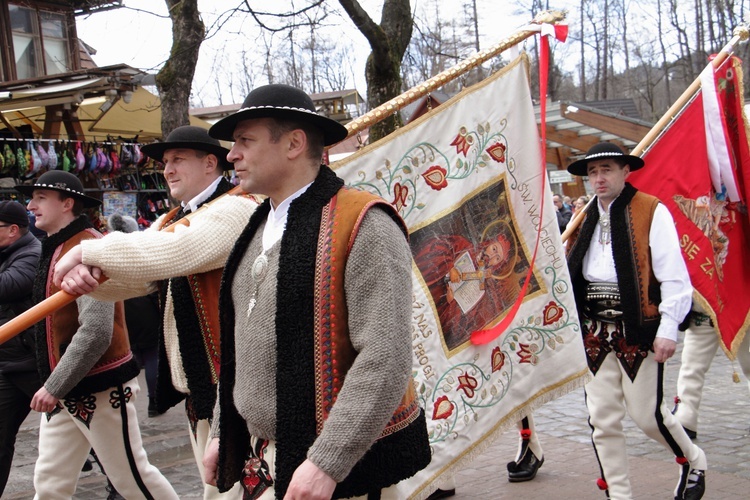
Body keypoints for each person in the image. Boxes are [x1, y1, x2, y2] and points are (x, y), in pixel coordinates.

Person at [199, 83, 431, 499]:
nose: (231, 154)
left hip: (334, 468)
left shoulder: (364, 225)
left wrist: (327, 462)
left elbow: (386, 357)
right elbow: (240, 347)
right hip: (264, 460)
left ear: (293, 143)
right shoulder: (256, 227)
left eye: (244, 140)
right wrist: (224, 431)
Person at [53, 126, 257, 499]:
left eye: (178, 159)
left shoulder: (237, 207)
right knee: (215, 488)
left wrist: (88, 252)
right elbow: (140, 273)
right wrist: (91, 279)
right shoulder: (173, 217)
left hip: (238, 384)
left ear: (211, 163)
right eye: (165, 162)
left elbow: (176, 250)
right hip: (201, 388)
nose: (168, 170)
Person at [16, 171, 177, 499]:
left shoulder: (88, 248)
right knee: (49, 484)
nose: (30, 205)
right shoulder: (61, 246)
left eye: (40, 198)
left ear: (67, 203)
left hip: (100, 388)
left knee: (132, 478)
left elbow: (96, 332)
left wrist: (53, 385)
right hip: (69, 390)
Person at [566, 142, 706, 500]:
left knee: (648, 416)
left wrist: (668, 329)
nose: (599, 178)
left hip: (637, 329)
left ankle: (693, 459)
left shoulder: (651, 211)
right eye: (593, 172)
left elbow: (674, 277)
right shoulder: (584, 218)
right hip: (593, 332)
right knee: (602, 420)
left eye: (607, 169)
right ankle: (619, 494)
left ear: (625, 171)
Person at [0, 200, 41, 496]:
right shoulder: (8, 252)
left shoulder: (31, 253)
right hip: (11, 362)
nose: (34, 205)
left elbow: (9, 286)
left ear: (13, 230)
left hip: (33, 362)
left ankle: (119, 481)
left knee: (87, 427)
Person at [107, 213, 161, 418]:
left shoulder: (108, 253)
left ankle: (122, 403)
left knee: (133, 355)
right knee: (152, 354)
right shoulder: (141, 252)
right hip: (145, 310)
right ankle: (154, 402)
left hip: (123, 312)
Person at [673, 302, 750, 439]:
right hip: (704, 314)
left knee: (748, 364)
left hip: (741, 312)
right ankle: (686, 417)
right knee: (692, 367)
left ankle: (686, 417)